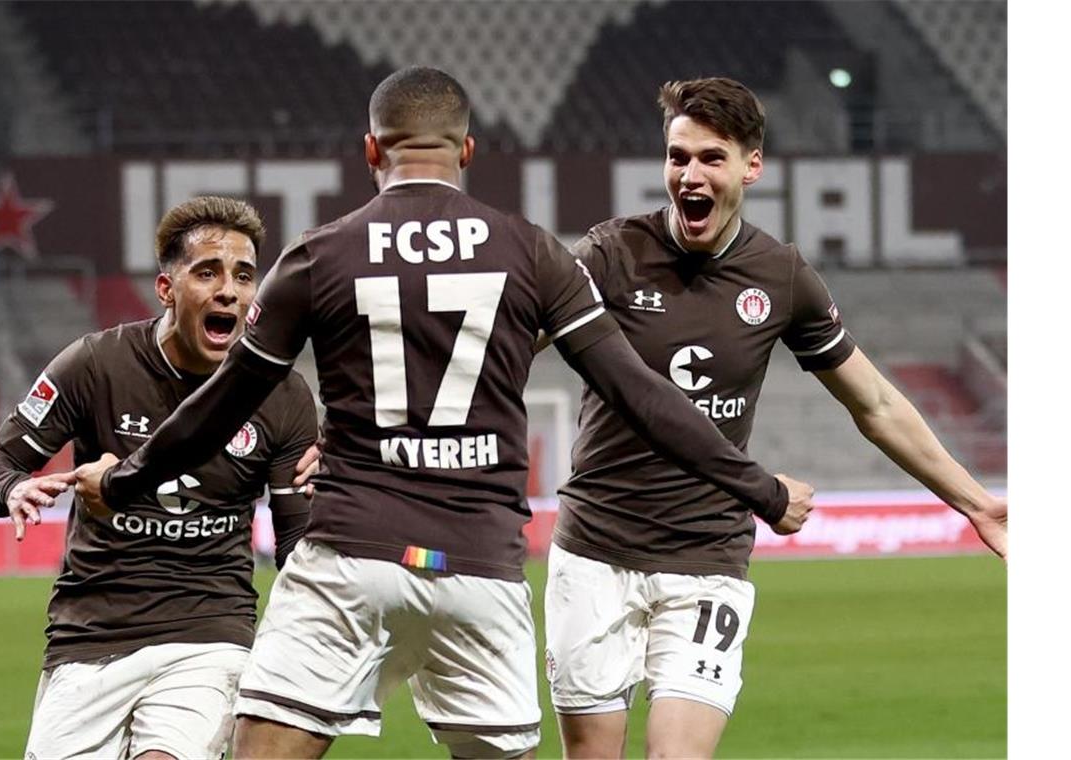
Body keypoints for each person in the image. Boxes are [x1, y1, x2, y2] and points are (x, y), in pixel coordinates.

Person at [73, 67, 814, 760]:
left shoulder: (318, 254)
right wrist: (764, 491)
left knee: (262, 744)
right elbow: (642, 394)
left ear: (371, 148)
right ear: (466, 150)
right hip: (478, 570)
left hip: (351, 556)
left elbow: (218, 405)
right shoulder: (531, 253)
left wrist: (126, 482)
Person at [543, 77, 1009, 759]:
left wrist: (976, 503)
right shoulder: (610, 255)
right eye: (678, 157)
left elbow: (874, 403)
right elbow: (503, 351)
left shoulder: (780, 277)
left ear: (750, 167)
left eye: (711, 158)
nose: (690, 175)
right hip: (594, 553)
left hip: (706, 558)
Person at [0, 196, 320, 760]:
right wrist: (12, 488)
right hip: (89, 638)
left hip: (209, 635)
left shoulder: (283, 397)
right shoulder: (94, 365)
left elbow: (296, 551)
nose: (229, 291)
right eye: (208, 272)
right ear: (167, 290)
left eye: (244, 276)